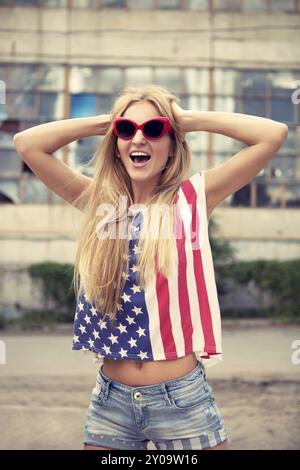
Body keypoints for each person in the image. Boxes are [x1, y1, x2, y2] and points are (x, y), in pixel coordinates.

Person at [13, 84, 288, 451]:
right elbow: (27, 144)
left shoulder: (192, 198)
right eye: (127, 131)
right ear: (116, 143)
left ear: (172, 143)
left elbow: (272, 135)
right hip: (111, 401)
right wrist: (106, 122)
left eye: (154, 129)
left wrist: (184, 119)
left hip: (181, 399)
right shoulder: (98, 201)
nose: (138, 138)